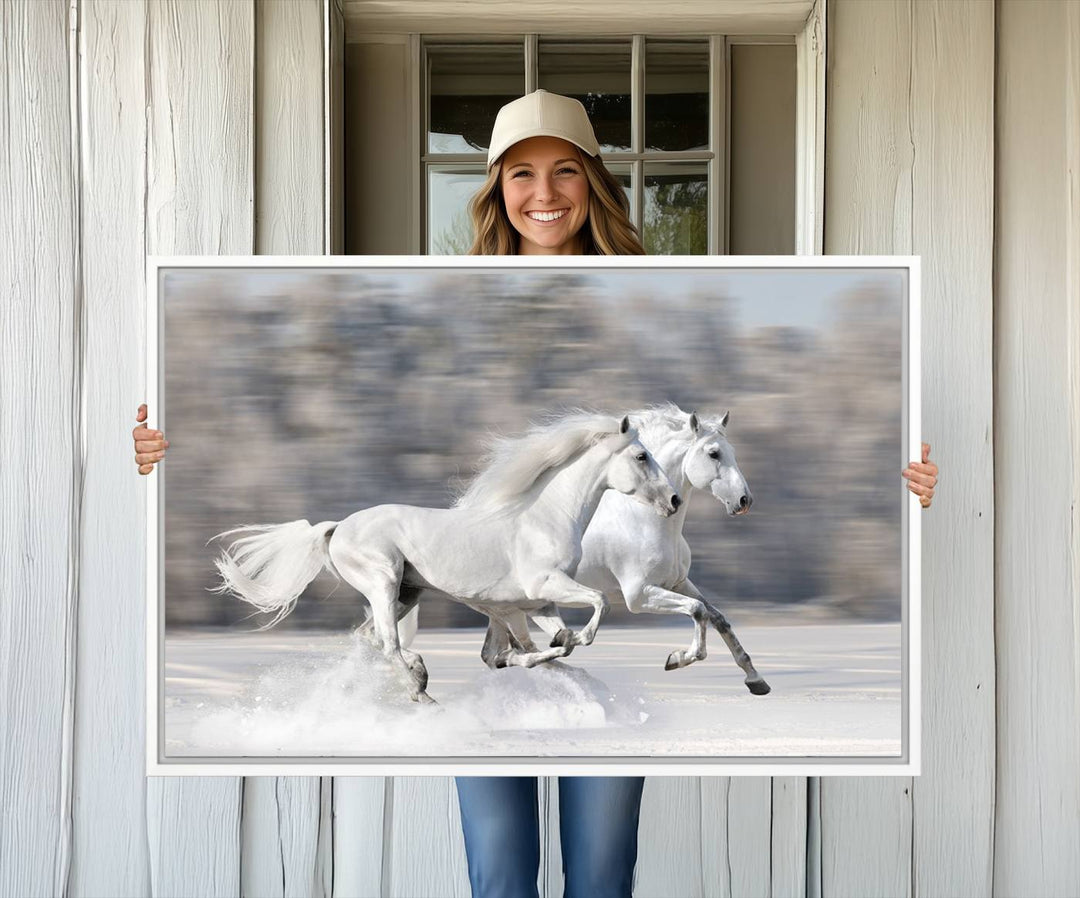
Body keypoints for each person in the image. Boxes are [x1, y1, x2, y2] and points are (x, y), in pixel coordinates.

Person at [131, 90, 940, 898]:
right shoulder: (447, 310)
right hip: (494, 663)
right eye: (521, 173)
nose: (544, 194)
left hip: (606, 688)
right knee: (501, 881)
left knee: (601, 880)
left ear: (595, 182)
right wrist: (164, 456)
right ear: (494, 189)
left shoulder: (658, 303)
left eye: (565, 172)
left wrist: (904, 485)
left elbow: (713, 456)